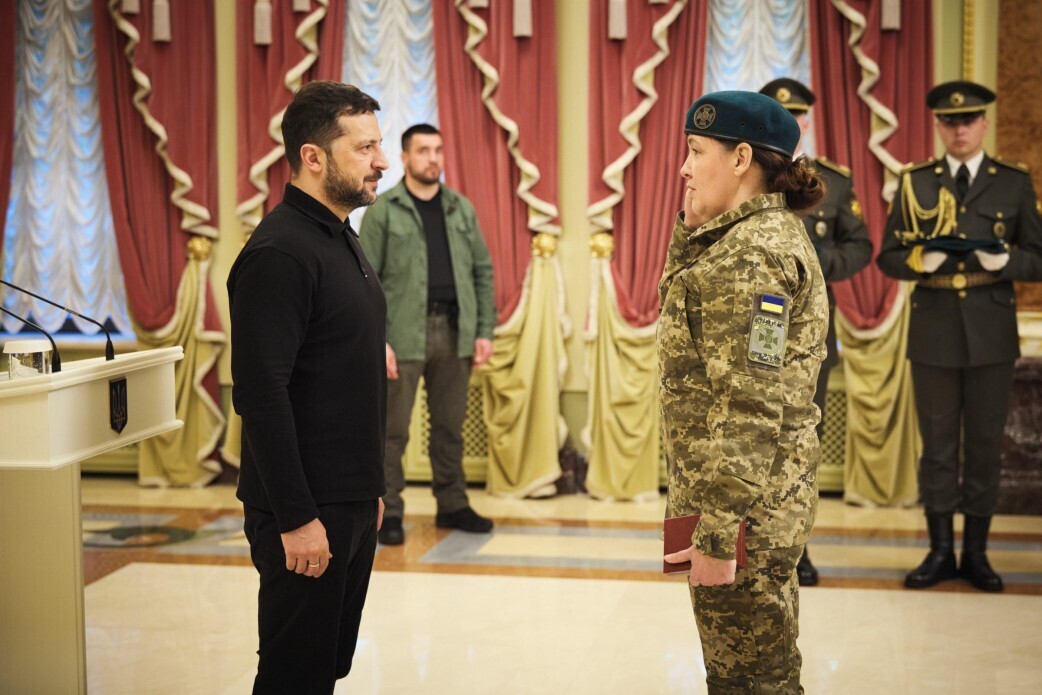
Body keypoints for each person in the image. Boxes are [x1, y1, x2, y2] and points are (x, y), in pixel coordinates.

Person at [659, 91, 829, 692]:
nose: (684, 167)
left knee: (752, 680)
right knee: (753, 672)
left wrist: (716, 530)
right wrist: (690, 227)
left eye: (696, 151)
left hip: (741, 513)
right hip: (741, 504)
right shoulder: (743, 238)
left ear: (740, 159)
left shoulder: (752, 255)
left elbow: (751, 407)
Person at [227, 81, 390, 693]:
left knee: (325, 668)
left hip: (346, 500)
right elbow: (261, 395)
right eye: (365, 148)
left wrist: (368, 490)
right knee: (293, 677)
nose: (382, 160)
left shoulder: (339, 234)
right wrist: (297, 517)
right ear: (313, 157)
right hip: (305, 510)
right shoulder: (281, 251)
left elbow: (344, 374)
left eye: (378, 145)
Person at [877, 81, 1042, 592]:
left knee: (986, 447)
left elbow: (1037, 258)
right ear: (938, 126)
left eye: (969, 120)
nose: (960, 129)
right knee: (938, 448)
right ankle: (939, 551)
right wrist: (918, 260)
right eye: (950, 122)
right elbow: (888, 257)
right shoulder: (915, 181)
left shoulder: (1013, 181)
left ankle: (976, 554)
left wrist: (1005, 261)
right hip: (935, 329)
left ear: (984, 124)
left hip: (991, 330)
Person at [359, 123, 496, 546]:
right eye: (423, 150)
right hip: (401, 335)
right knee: (392, 432)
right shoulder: (384, 210)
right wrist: (377, 341)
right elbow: (365, 280)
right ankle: (388, 512)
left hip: (455, 332)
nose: (432, 158)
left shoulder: (460, 208)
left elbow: (482, 271)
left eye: (437, 150)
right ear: (405, 158)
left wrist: (483, 331)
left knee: (450, 427)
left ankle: (452, 504)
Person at [761, 77, 873, 587]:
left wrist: (815, 263)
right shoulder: (743, 174)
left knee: (802, 438)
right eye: (779, 114)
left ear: (806, 122)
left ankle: (797, 547)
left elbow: (861, 246)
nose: (790, 123)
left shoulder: (831, 182)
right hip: (751, 325)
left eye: (797, 116)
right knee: (748, 433)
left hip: (809, 330)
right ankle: (748, 539)